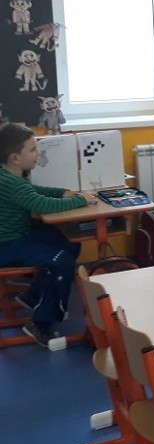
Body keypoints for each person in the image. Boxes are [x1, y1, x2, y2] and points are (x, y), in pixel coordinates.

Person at [0, 123, 97, 347]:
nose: (38, 153)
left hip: (17, 237)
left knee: (70, 241)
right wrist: (80, 200)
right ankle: (41, 323)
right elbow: (42, 204)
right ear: (15, 158)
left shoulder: (10, 176)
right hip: (7, 246)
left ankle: (33, 295)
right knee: (62, 260)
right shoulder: (12, 184)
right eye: (33, 150)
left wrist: (62, 193)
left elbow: (35, 192)